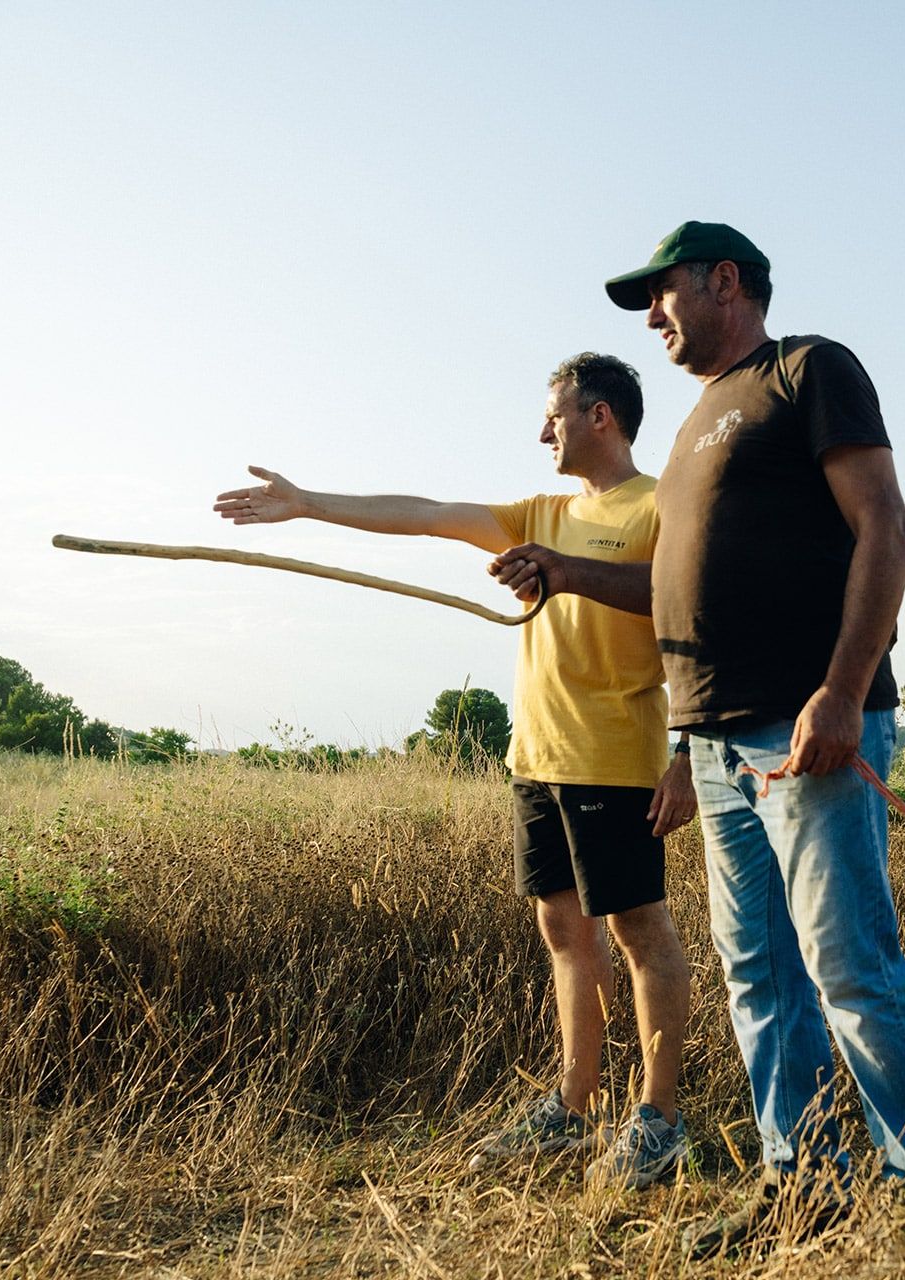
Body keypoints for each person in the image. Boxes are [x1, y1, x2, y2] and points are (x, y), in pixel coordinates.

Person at [490, 223, 905, 1255]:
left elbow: (887, 527)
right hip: (712, 742)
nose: (654, 318)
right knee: (757, 967)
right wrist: (566, 572)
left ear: (725, 282)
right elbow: (671, 590)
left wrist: (841, 693)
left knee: (846, 959)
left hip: (805, 729)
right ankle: (803, 1184)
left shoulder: (808, 370)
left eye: (662, 296)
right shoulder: (696, 421)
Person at [213, 352, 696, 1191]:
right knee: (565, 932)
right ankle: (572, 1113)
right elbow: (429, 514)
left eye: (555, 414)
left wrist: (688, 755)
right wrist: (309, 505)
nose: (542, 430)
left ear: (600, 417)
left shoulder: (660, 505)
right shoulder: (538, 511)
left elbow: (690, 612)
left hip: (616, 758)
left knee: (639, 934)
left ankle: (659, 1121)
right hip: (535, 759)